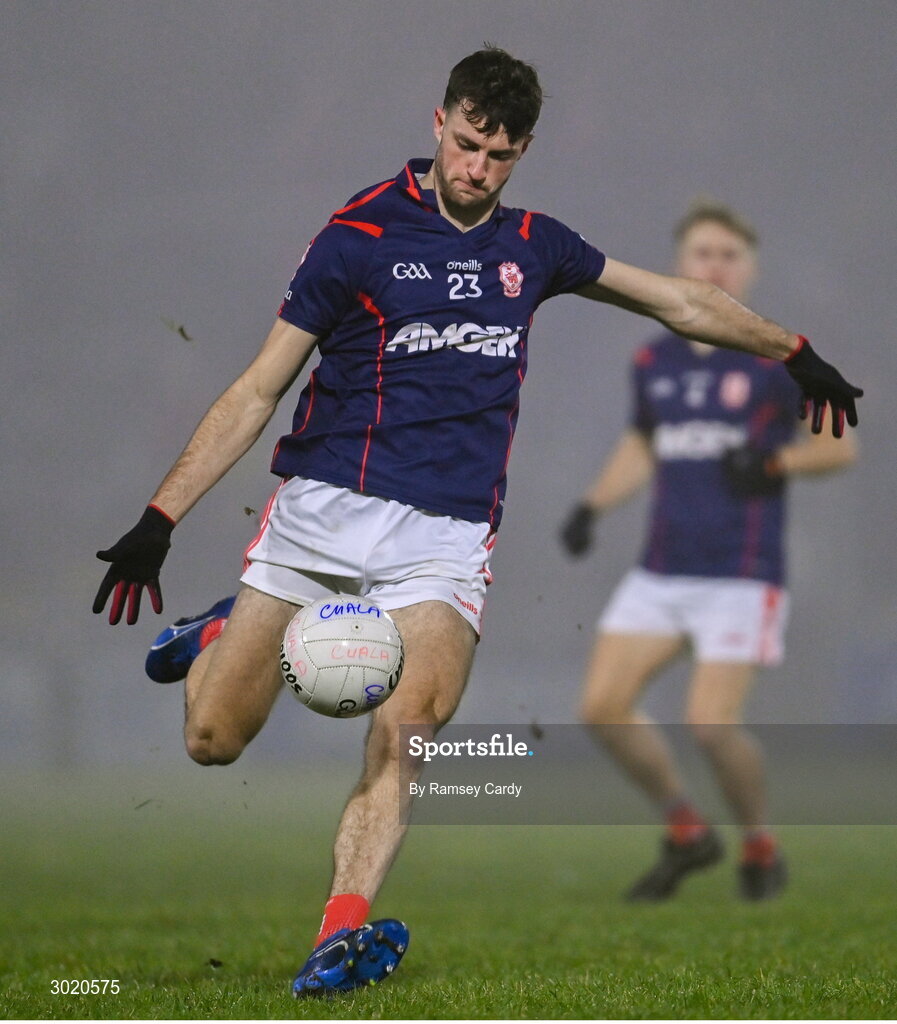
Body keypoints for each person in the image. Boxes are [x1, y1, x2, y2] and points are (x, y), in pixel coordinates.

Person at [93, 48, 862, 995]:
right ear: (438, 122)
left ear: (522, 149)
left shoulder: (535, 246)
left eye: (498, 155)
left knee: (410, 729)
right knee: (212, 740)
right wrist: (159, 516)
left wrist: (793, 349)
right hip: (324, 509)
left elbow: (676, 300)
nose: (476, 170)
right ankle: (221, 628)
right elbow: (260, 387)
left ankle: (335, 936)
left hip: (446, 536)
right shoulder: (358, 236)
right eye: (465, 145)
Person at [559, 199, 858, 902]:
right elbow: (642, 441)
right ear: (680, 265)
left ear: (749, 271)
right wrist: (592, 505)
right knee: (601, 707)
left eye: (728, 255)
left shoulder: (778, 359)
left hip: (741, 573)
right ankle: (689, 831)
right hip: (661, 568)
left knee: (709, 724)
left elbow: (838, 446)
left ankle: (759, 843)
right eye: (702, 254)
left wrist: (775, 465)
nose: (714, 265)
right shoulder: (653, 357)